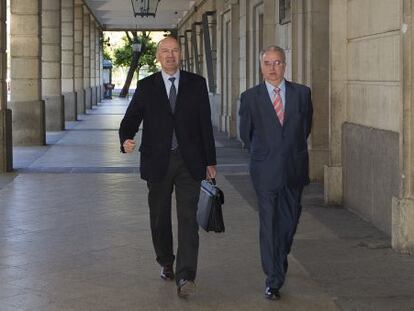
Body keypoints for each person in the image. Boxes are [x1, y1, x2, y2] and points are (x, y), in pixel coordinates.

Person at [119, 36, 217, 298]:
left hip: (190, 161)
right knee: (159, 216)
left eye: (174, 50)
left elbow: (205, 124)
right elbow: (130, 119)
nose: (170, 55)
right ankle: (165, 260)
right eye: (165, 51)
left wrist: (210, 161)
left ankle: (186, 275)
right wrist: (126, 138)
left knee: (188, 219)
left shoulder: (196, 84)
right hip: (157, 161)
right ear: (158, 57)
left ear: (181, 54)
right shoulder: (146, 86)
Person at [239, 46, 313, 300]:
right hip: (265, 170)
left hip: (294, 168)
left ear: (285, 65)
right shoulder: (250, 97)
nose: (272, 68)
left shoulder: (302, 94)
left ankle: (280, 255)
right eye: (268, 63)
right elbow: (245, 135)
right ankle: (273, 278)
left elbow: (305, 127)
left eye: (277, 62)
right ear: (261, 66)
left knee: (290, 221)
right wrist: (267, 152)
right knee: (269, 224)